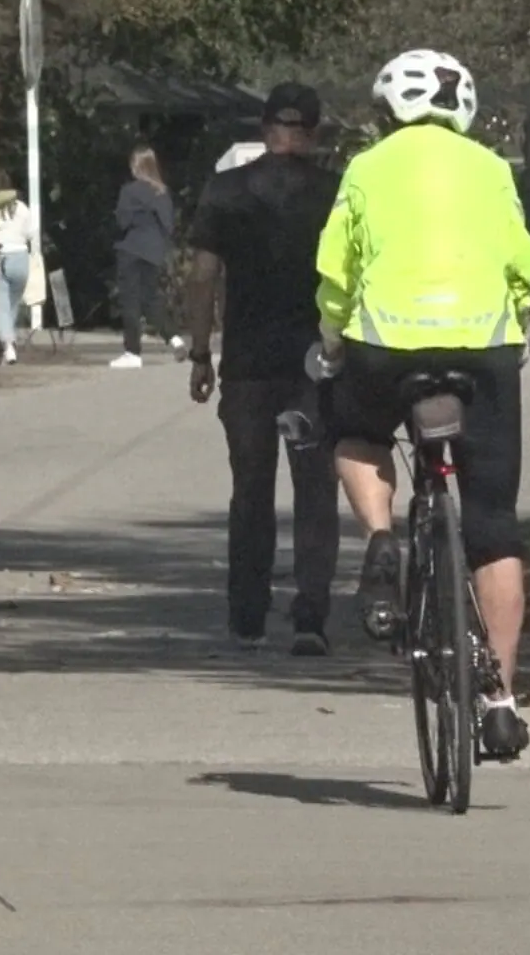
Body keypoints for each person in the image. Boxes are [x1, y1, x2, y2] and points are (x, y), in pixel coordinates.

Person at [315, 48, 530, 759]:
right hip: (483, 350)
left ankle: (383, 541)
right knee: (495, 527)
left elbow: (335, 267)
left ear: (388, 112)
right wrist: (520, 324)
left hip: (388, 348)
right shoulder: (492, 170)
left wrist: (331, 337)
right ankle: (500, 701)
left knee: (354, 433)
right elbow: (523, 263)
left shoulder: (366, 167)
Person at [184, 83, 343, 656]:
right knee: (315, 489)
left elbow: (203, 275)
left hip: (248, 362)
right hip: (316, 361)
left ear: (264, 128)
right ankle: (311, 615)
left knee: (250, 488)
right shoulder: (336, 192)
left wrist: (201, 351)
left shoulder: (228, 190)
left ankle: (248, 615)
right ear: (315, 132)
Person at [110, 144, 186, 368]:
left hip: (131, 249)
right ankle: (174, 338)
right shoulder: (162, 192)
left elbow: (122, 222)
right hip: (154, 251)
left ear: (136, 166)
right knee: (151, 298)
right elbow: (169, 225)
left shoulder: (129, 191)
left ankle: (132, 352)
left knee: (130, 301)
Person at [0, 168, 37, 366]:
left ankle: (8, 345)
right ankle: (3, 350)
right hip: (20, 256)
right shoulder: (20, 207)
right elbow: (31, 233)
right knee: (12, 306)